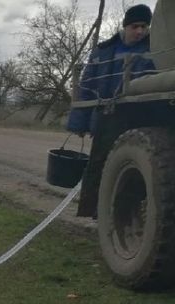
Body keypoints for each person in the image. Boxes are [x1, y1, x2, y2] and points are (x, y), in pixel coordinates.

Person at [66, 4, 154, 216]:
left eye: (144, 26)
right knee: (99, 166)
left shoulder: (155, 50)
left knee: (133, 171)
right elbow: (86, 87)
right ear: (125, 26)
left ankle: (124, 216)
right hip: (107, 117)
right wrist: (79, 122)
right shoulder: (104, 51)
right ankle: (96, 213)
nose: (140, 31)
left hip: (138, 118)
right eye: (135, 26)